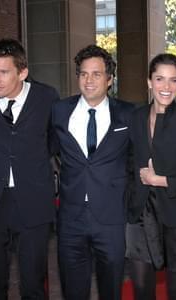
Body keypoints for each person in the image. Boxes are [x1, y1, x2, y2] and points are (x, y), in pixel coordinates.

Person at [0, 38, 59, 299]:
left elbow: (54, 142)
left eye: (3, 72)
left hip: (34, 201)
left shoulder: (47, 97)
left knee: (33, 283)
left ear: (22, 72)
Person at [52, 45, 134, 300]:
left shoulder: (129, 114)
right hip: (70, 218)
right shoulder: (59, 111)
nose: (89, 80)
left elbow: (136, 157)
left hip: (111, 219)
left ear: (109, 79)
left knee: (111, 290)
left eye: (97, 74)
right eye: (84, 73)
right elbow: (46, 149)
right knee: (73, 291)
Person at [126, 53, 176, 300]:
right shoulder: (134, 118)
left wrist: (159, 180)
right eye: (160, 79)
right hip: (140, 216)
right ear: (149, 81)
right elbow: (127, 165)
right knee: (141, 288)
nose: (166, 87)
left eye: (173, 80)